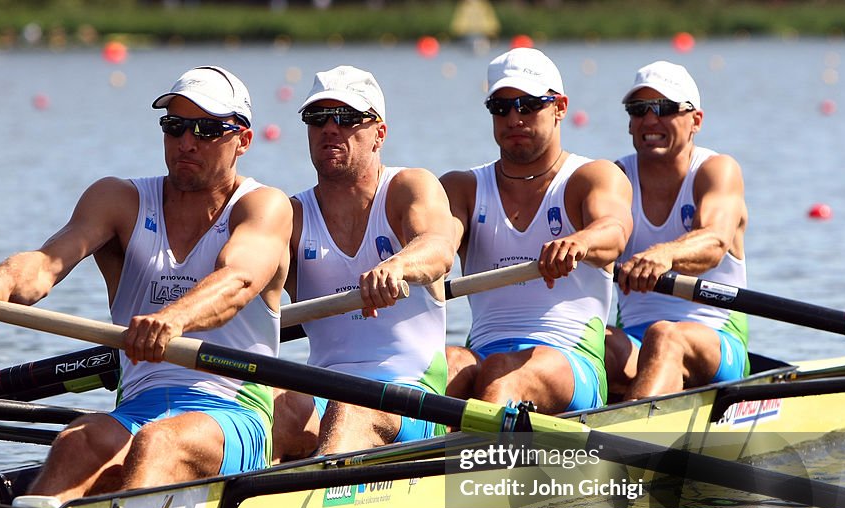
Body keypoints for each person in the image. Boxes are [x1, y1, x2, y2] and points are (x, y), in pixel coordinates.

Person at [0, 66, 293, 502]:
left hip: (232, 412)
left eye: (207, 130)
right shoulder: (118, 200)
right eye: (175, 127)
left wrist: (172, 320)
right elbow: (45, 264)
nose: (186, 142)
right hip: (137, 408)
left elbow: (238, 281)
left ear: (243, 140)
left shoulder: (264, 206)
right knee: (78, 439)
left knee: (160, 443)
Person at [271, 66, 458, 462]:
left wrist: (398, 267)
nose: (330, 129)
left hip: (411, 398)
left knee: (350, 410)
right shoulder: (292, 215)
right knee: (260, 405)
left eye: (347, 118)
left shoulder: (409, 187)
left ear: (380, 133)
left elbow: (439, 248)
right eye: (318, 118)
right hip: (324, 396)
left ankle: (319, 505)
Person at [442, 48, 633, 414]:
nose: (514, 117)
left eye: (528, 105)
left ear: (560, 107)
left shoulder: (591, 177)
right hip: (483, 353)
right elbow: (438, 244)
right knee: (447, 363)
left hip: (570, 361)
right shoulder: (461, 188)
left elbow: (614, 231)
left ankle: (476, 466)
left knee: (500, 371)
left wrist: (581, 240)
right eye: (501, 107)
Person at [606, 60, 748, 399]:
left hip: (715, 339)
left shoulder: (717, 171)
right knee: (586, 344)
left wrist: (665, 254)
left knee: (666, 335)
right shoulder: (615, 180)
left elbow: (714, 241)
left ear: (696, 120)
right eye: (639, 109)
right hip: (635, 343)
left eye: (665, 108)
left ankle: (633, 436)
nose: (650, 119)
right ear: (630, 123)